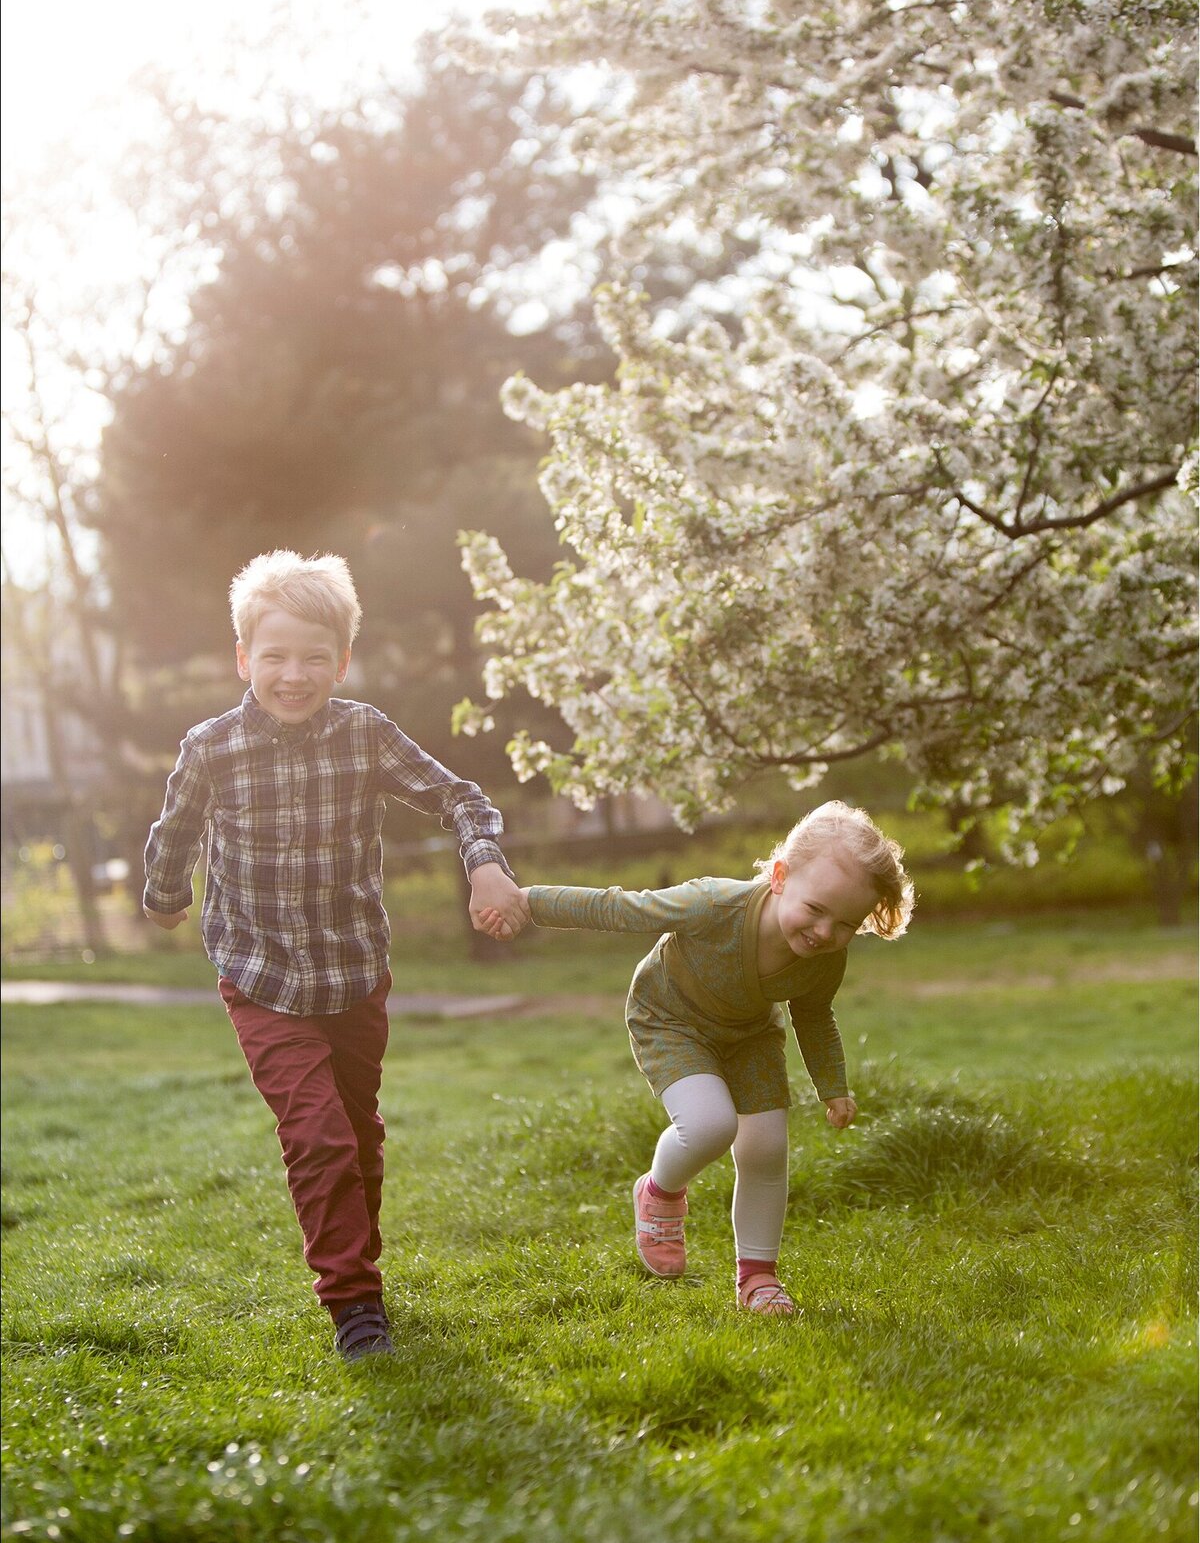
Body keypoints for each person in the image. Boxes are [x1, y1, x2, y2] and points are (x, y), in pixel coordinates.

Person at [143, 550, 526, 1362]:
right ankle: (353, 1301)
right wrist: (165, 895)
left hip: (354, 973)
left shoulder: (365, 733)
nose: (294, 674)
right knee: (317, 1136)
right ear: (243, 657)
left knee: (356, 1132)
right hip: (260, 976)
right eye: (275, 656)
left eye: (315, 657)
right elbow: (175, 830)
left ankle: (360, 1265)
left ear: (343, 660)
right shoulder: (211, 746)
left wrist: (485, 862)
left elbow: (459, 796)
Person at [480, 802, 912, 1316]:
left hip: (749, 1035)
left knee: (767, 1148)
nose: (824, 932)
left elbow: (815, 1016)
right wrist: (528, 901)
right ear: (780, 878)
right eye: (815, 909)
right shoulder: (713, 904)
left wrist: (833, 1086)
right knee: (710, 1125)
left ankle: (758, 1278)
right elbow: (623, 908)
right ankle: (660, 1191)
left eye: (844, 924)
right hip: (670, 1018)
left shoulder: (826, 960)